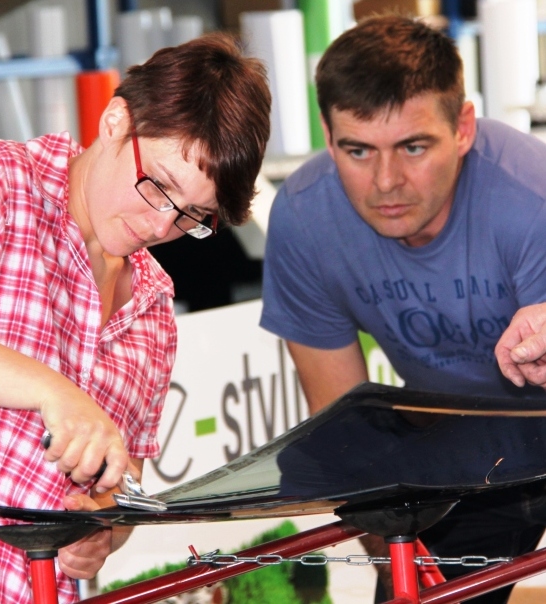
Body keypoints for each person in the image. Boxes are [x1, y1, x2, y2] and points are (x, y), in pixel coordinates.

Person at [0, 33, 271, 603]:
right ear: (117, 120)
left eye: (192, 216)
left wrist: (102, 531)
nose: (157, 225)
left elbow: (124, 483)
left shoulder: (152, 309)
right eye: (158, 186)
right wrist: (57, 393)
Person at [260, 14, 546, 604]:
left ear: (463, 128)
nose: (386, 181)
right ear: (327, 133)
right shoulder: (306, 219)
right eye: (358, 150)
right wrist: (399, 568)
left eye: (414, 147)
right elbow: (344, 428)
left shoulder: (530, 195)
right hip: (460, 455)